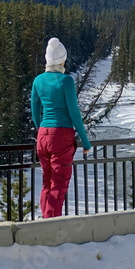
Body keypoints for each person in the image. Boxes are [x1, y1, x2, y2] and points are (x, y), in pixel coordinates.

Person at [30, 37, 92, 219]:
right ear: (62, 60)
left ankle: (45, 219)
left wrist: (42, 131)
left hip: (43, 135)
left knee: (47, 182)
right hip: (61, 135)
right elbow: (74, 114)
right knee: (59, 182)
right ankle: (51, 224)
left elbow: (35, 111)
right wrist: (85, 142)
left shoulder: (38, 81)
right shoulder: (66, 81)